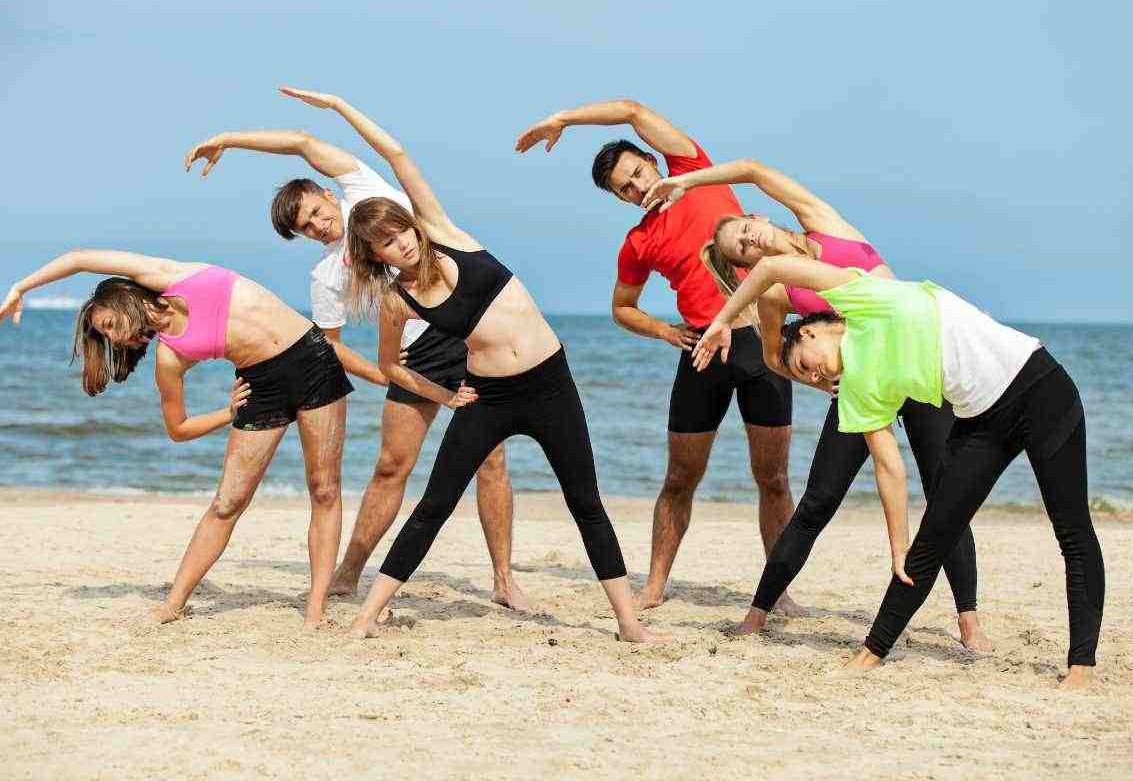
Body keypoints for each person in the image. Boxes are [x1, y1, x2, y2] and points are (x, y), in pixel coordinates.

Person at [278, 85, 666, 642]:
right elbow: (393, 366)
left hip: (552, 384)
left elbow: (397, 156)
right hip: (489, 396)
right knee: (435, 501)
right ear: (376, 256)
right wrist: (443, 396)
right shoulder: (396, 298)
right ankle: (365, 617)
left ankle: (628, 623)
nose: (400, 245)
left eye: (400, 232)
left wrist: (339, 108)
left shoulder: (446, 234)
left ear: (414, 225)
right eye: (385, 244)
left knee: (586, 501)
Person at [693, 256, 1103, 689]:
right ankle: (873, 650)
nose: (811, 374)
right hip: (981, 422)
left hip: (1041, 390)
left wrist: (722, 320)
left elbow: (772, 267)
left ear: (810, 330)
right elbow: (889, 466)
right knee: (931, 540)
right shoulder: (855, 391)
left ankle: (1082, 667)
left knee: (1072, 530)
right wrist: (897, 545)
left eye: (802, 363)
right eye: (803, 376)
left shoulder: (864, 299)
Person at [641, 160, 991, 651]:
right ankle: (758, 614)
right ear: (745, 270)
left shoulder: (825, 224)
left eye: (746, 230)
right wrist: (818, 383)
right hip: (861, 385)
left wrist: (688, 180)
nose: (751, 241)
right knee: (819, 500)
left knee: (944, 493)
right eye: (741, 249)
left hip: (915, 372)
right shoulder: (780, 293)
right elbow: (770, 357)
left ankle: (969, 621)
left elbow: (754, 170)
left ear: (760, 218)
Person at [183, 123, 528, 609]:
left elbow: (302, 143)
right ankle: (348, 571)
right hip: (416, 354)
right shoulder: (326, 275)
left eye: (318, 212)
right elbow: (331, 344)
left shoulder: (364, 190)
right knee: (391, 467)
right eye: (307, 227)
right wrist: (382, 372)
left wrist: (228, 140)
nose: (320, 225)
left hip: (470, 329)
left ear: (328, 193)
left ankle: (504, 580)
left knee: (491, 460)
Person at [0, 249, 380, 628]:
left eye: (106, 325)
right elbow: (178, 429)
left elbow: (79, 258)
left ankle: (315, 610)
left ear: (120, 298)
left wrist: (21, 287)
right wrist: (227, 414)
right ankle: (173, 605)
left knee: (324, 489)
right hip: (260, 387)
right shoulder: (169, 356)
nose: (113, 339)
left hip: (312, 359)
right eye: (105, 338)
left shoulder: (170, 277)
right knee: (227, 503)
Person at [515, 100, 796, 612]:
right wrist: (665, 332)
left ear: (653, 159)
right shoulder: (639, 241)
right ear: (618, 199)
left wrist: (564, 121)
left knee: (772, 477)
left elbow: (629, 109)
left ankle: (779, 591)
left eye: (638, 172)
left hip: (760, 338)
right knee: (679, 478)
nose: (638, 186)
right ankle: (655, 584)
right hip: (701, 350)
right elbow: (622, 308)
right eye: (625, 187)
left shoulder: (694, 171)